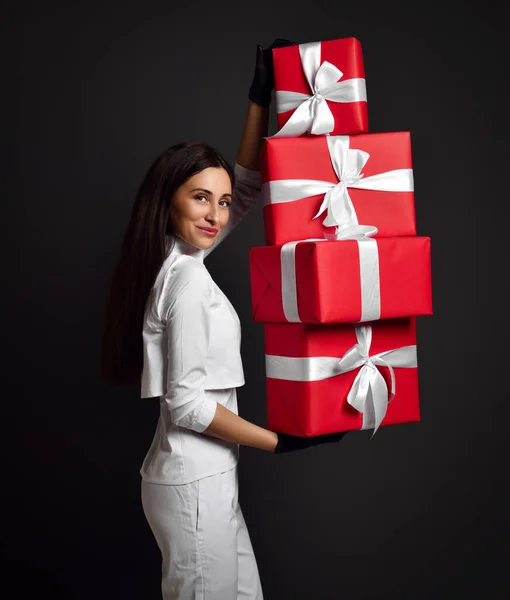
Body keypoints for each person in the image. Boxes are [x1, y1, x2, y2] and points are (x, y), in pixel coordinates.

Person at [100, 39, 347, 600]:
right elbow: (186, 405)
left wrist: (260, 96)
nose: (215, 215)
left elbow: (247, 192)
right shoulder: (183, 278)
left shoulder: (175, 258)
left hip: (205, 481)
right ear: (169, 202)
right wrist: (278, 443)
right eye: (199, 199)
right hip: (193, 487)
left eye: (220, 201)